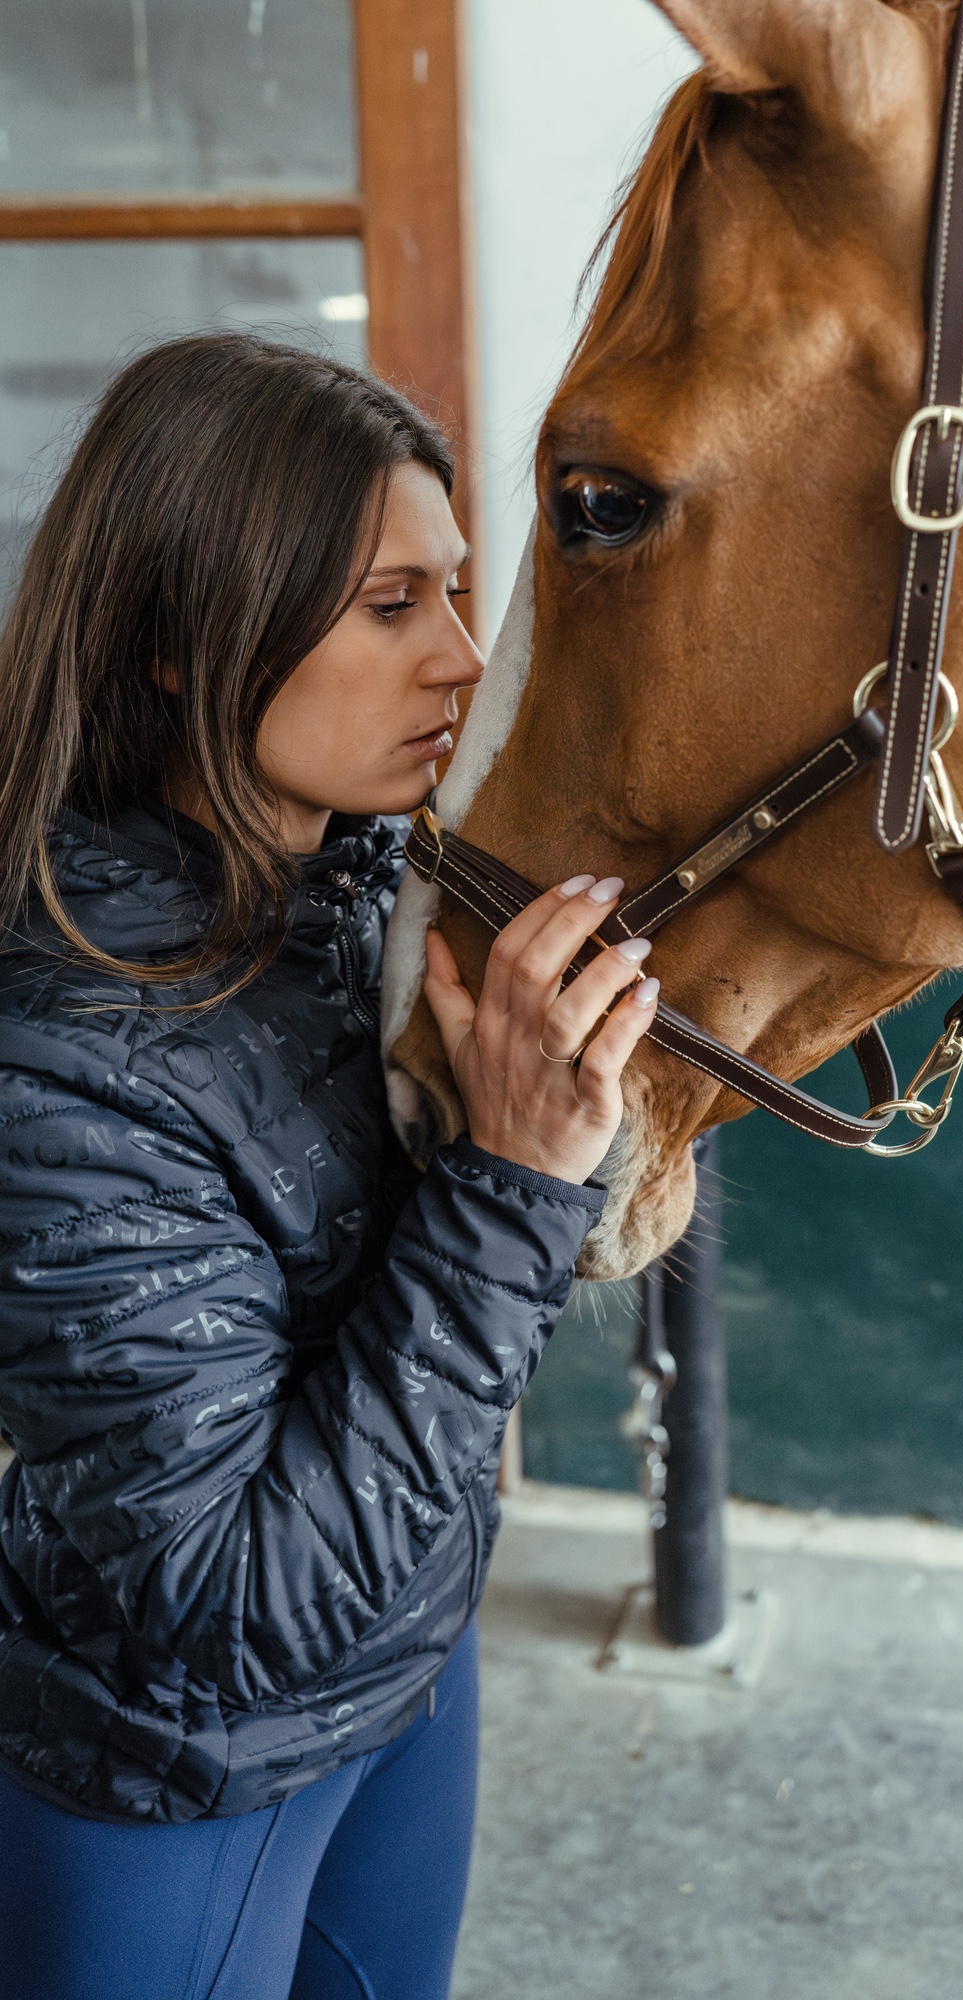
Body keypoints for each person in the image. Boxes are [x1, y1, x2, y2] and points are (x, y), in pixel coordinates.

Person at [0, 332, 658, 1999]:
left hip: (408, 1674)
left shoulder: (363, 890)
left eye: (457, 591)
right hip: (178, 1775)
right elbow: (219, 1604)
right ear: (176, 640)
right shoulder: (62, 1053)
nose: (462, 656)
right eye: (389, 606)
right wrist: (511, 1181)